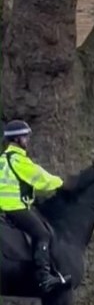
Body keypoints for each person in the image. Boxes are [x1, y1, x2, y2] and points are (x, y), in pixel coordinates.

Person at [0, 120, 71, 292]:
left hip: (4, 208)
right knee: (43, 233)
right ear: (16, 139)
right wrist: (62, 183)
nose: (27, 140)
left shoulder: (2, 159)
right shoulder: (18, 160)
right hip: (15, 207)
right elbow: (39, 178)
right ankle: (44, 277)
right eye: (25, 137)